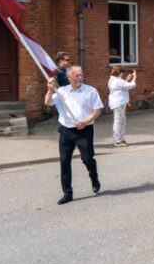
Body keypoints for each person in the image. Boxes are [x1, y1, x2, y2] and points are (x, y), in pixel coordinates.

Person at [45, 67, 103, 205]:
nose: (79, 78)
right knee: (64, 161)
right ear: (69, 78)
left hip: (84, 130)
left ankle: (94, 177)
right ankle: (67, 193)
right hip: (66, 130)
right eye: (76, 76)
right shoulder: (62, 91)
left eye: (81, 75)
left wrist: (85, 122)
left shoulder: (91, 91)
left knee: (87, 159)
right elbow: (47, 102)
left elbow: (97, 110)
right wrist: (49, 90)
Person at [107, 65, 137, 147]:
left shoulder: (112, 80)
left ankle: (120, 139)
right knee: (119, 122)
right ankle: (117, 140)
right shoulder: (117, 81)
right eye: (122, 72)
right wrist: (135, 77)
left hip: (117, 103)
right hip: (119, 103)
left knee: (121, 121)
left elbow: (123, 87)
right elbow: (131, 86)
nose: (123, 74)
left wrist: (127, 80)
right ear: (120, 72)